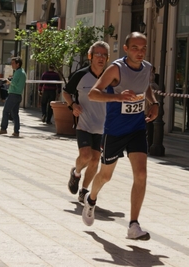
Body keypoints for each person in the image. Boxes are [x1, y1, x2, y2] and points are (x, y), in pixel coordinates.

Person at [82, 32, 159, 240]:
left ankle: (133, 225)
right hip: (115, 131)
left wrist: (155, 103)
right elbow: (93, 94)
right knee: (106, 175)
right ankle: (91, 199)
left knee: (141, 174)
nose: (140, 52)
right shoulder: (116, 68)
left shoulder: (148, 68)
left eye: (143, 48)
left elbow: (147, 87)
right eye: (135, 48)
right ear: (126, 49)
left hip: (136, 129)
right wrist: (118, 96)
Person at [63, 41, 110, 203]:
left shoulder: (111, 77)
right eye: (97, 54)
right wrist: (72, 105)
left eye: (104, 55)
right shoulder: (80, 75)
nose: (101, 58)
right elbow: (66, 93)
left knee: (95, 160)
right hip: (84, 123)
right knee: (85, 155)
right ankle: (76, 173)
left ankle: (84, 191)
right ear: (90, 57)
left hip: (103, 127)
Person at [0, 56, 26, 137]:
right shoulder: (22, 72)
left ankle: (3, 128)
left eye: (13, 63)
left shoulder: (18, 72)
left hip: (13, 95)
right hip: (18, 95)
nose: (11, 65)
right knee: (15, 114)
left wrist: (8, 81)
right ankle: (16, 131)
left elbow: (14, 83)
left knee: (6, 111)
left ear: (18, 64)